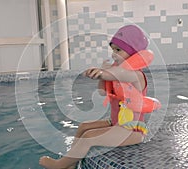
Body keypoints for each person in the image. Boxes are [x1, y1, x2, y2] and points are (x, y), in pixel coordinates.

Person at [39, 25, 161, 169]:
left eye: (118, 50)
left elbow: (119, 74)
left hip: (131, 130)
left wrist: (103, 72)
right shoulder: (116, 72)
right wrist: (102, 75)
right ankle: (71, 163)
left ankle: (59, 165)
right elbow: (102, 92)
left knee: (89, 138)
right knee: (84, 127)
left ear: (133, 53)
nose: (113, 54)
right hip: (117, 123)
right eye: (113, 50)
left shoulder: (136, 75)